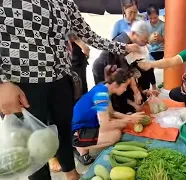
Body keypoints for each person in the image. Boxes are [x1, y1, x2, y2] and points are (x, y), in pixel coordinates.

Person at [0, 1, 140, 180]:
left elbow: (87, 34)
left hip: (62, 77)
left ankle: (71, 174)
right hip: (23, 82)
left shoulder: (65, 2)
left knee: (63, 132)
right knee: (33, 148)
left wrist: (123, 47)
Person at [72, 66, 145, 165]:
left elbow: (112, 113)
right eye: (125, 87)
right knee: (115, 135)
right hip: (75, 131)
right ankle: (80, 147)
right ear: (116, 84)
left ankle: (83, 144)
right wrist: (130, 119)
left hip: (86, 124)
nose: (125, 90)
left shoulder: (103, 88)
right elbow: (105, 126)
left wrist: (129, 117)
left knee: (120, 124)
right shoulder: (101, 95)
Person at [93, 21, 157, 114]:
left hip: (113, 69)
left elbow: (128, 67)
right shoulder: (122, 40)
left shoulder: (131, 43)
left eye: (146, 41)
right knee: (107, 96)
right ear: (134, 34)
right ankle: (107, 119)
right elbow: (124, 70)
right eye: (143, 41)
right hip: (102, 68)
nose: (144, 44)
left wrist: (140, 91)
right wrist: (136, 91)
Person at [69, 33, 91, 100]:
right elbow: (86, 49)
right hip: (78, 63)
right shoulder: (73, 34)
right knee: (82, 85)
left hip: (71, 62)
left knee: (76, 86)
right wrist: (87, 55)